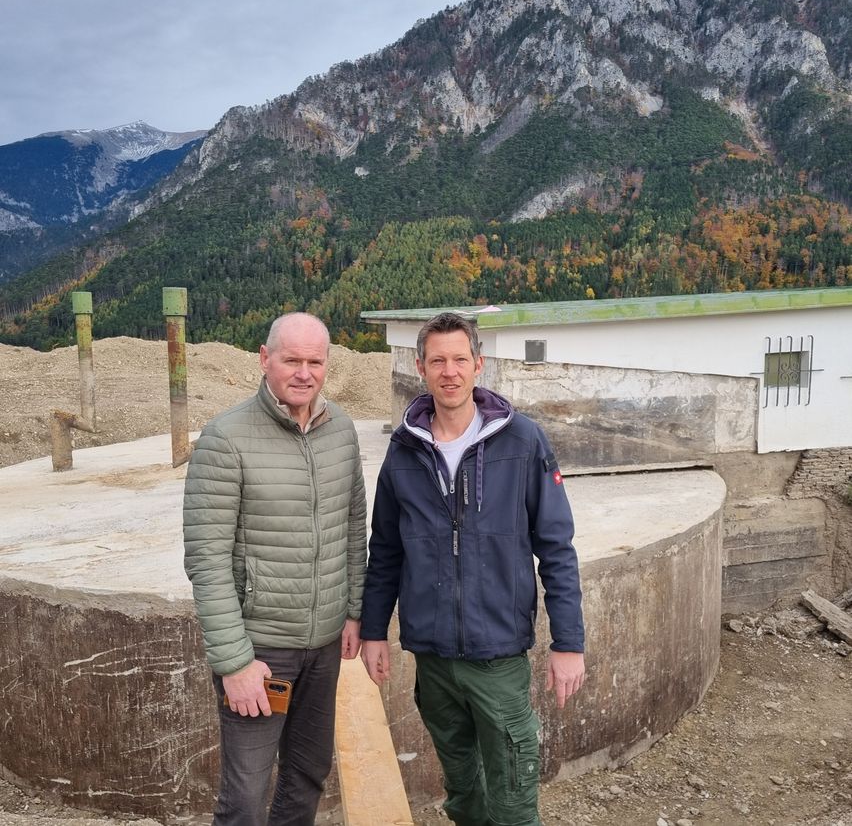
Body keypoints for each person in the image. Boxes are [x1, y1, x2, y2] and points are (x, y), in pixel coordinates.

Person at [360, 311, 585, 826]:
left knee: (512, 794)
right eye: (437, 360)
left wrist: (568, 643)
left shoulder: (524, 442)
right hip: (433, 660)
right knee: (463, 790)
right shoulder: (403, 453)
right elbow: (387, 550)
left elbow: (556, 548)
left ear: (478, 364)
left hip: (498, 658)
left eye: (460, 359)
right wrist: (374, 631)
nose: (449, 371)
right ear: (421, 367)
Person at [184, 312, 367, 826]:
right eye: (292, 360)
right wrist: (235, 663)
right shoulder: (225, 440)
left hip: (325, 645)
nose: (304, 373)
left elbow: (354, 526)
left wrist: (353, 612)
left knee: (307, 776)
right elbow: (206, 558)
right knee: (245, 796)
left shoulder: (342, 432)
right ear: (265, 360)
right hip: (260, 651)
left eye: (315, 361)